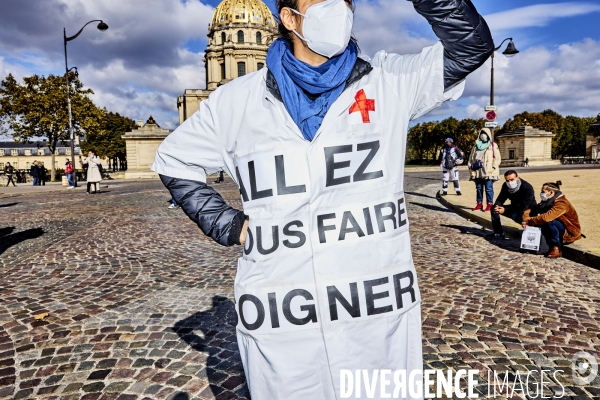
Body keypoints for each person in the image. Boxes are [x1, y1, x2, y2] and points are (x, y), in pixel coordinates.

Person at [152, 0, 494, 397]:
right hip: (282, 312)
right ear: (289, 18)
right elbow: (173, 159)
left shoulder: (388, 80)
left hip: (374, 310)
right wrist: (227, 223)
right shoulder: (234, 101)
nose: (337, 9)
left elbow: (470, 47)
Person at [522, 181, 582, 258]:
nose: (541, 193)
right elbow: (531, 210)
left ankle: (556, 248)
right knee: (541, 221)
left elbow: (546, 217)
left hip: (568, 231)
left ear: (551, 192)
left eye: (543, 191)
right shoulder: (547, 201)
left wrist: (529, 221)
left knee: (549, 222)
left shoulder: (561, 203)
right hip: (557, 226)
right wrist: (525, 219)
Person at [488, 170, 536, 239]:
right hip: (514, 207)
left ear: (517, 178)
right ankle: (498, 232)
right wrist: (497, 207)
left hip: (528, 210)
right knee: (493, 209)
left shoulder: (527, 188)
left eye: (512, 179)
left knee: (515, 215)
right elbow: (501, 198)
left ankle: (531, 228)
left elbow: (523, 206)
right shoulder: (505, 186)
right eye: (507, 180)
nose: (510, 182)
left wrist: (505, 210)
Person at [468, 128, 501, 212]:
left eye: (485, 133)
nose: (483, 135)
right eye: (481, 133)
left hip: (488, 171)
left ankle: (490, 204)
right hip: (477, 170)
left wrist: (493, 167)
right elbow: (471, 159)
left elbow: (497, 158)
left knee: (488, 188)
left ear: (488, 135)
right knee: (479, 188)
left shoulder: (492, 145)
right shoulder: (476, 146)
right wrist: (471, 169)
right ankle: (479, 203)